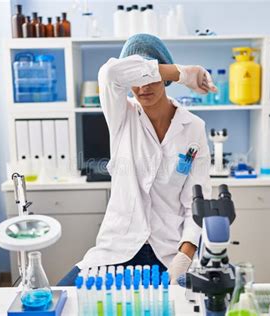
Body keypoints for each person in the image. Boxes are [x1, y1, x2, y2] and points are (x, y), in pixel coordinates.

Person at [58, 34, 215, 286]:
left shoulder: (193, 128)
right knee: (59, 300)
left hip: (168, 253)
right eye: (136, 78)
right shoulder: (122, 116)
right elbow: (110, 74)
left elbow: (197, 203)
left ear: (163, 78)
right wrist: (183, 73)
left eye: (151, 77)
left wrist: (184, 259)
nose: (143, 87)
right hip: (117, 249)